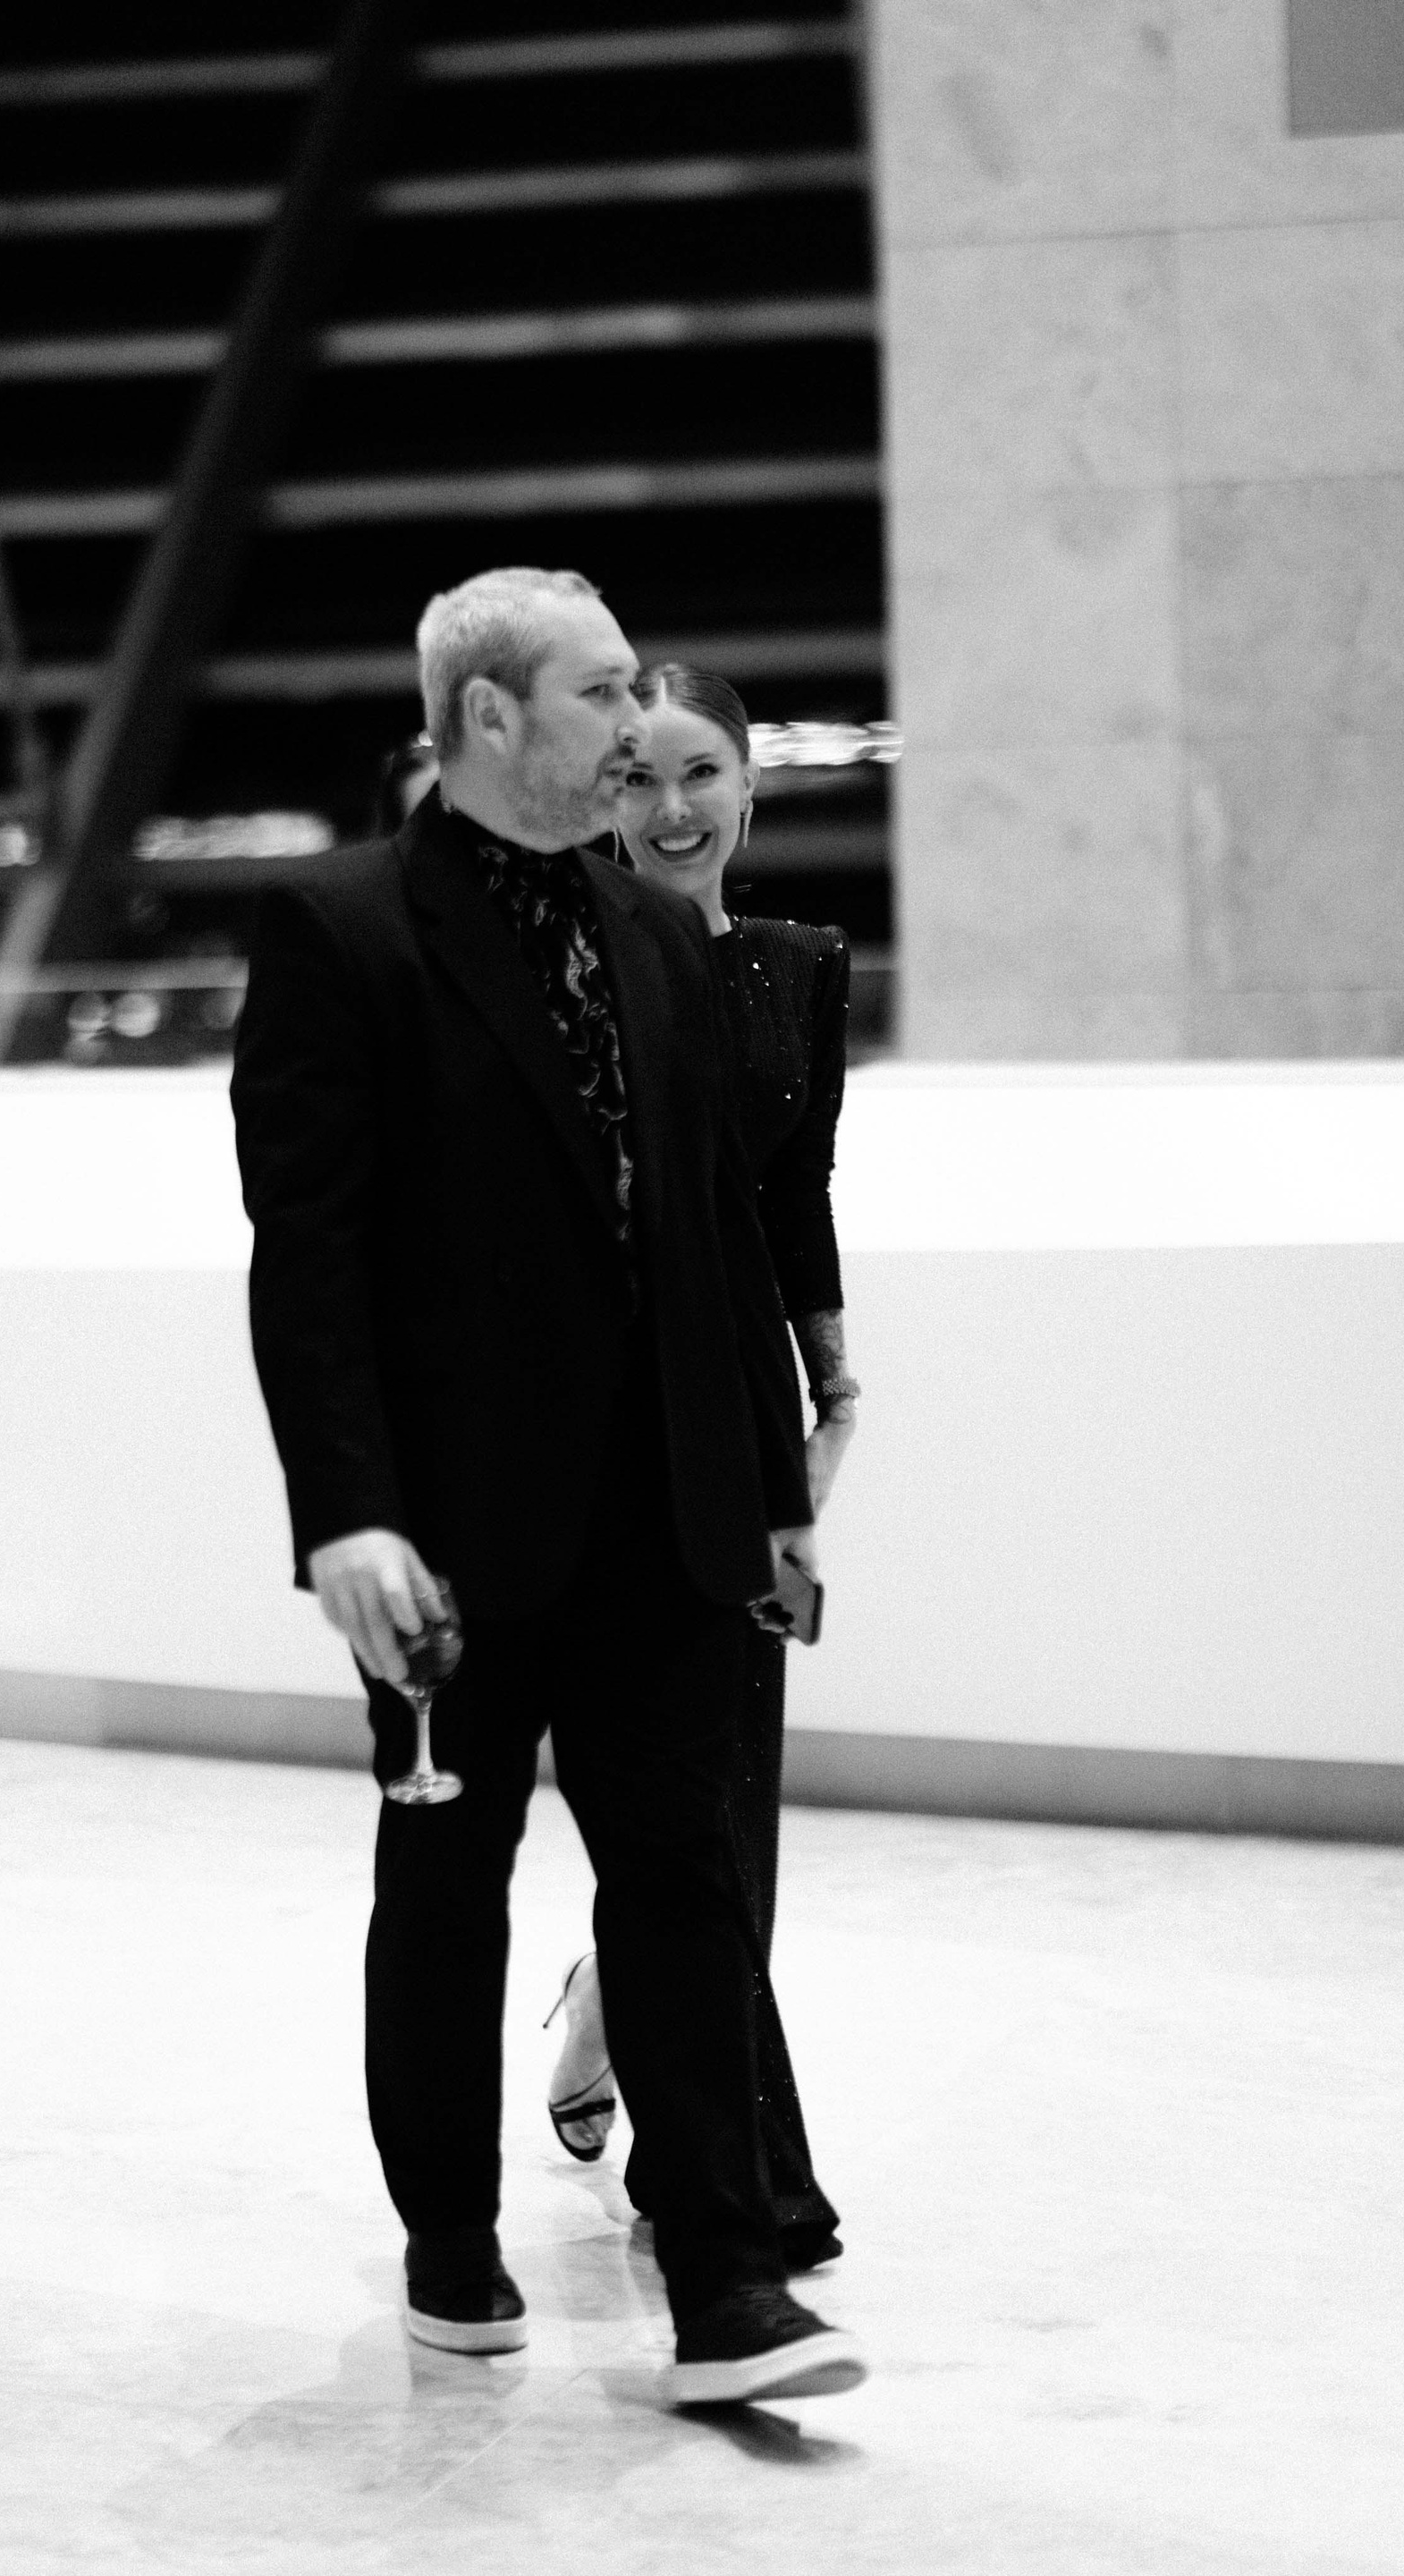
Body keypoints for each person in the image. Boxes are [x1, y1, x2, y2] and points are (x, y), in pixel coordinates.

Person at [230, 566, 865, 2410]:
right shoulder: (344, 929)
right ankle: (451, 2234)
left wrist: (771, 1490)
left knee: (684, 1878)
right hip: (450, 1530)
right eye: (600, 695)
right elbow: (310, 1257)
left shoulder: (653, 933)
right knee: (451, 1884)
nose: (630, 726)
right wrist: (345, 1513)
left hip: (666, 1513)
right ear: (491, 717)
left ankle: (731, 2281)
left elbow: (713, 1236)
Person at [546, 664, 858, 2270]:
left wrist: (833, 1380)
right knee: (677, 1807)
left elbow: (796, 1193)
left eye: (701, 775)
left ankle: (617, 2009)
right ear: (599, 794)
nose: (672, 810)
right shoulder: (567, 966)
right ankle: (731, 2176)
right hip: (605, 1432)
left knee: (728, 1802)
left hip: (749, 1425)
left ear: (749, 786)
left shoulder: (800, 967)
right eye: (638, 778)